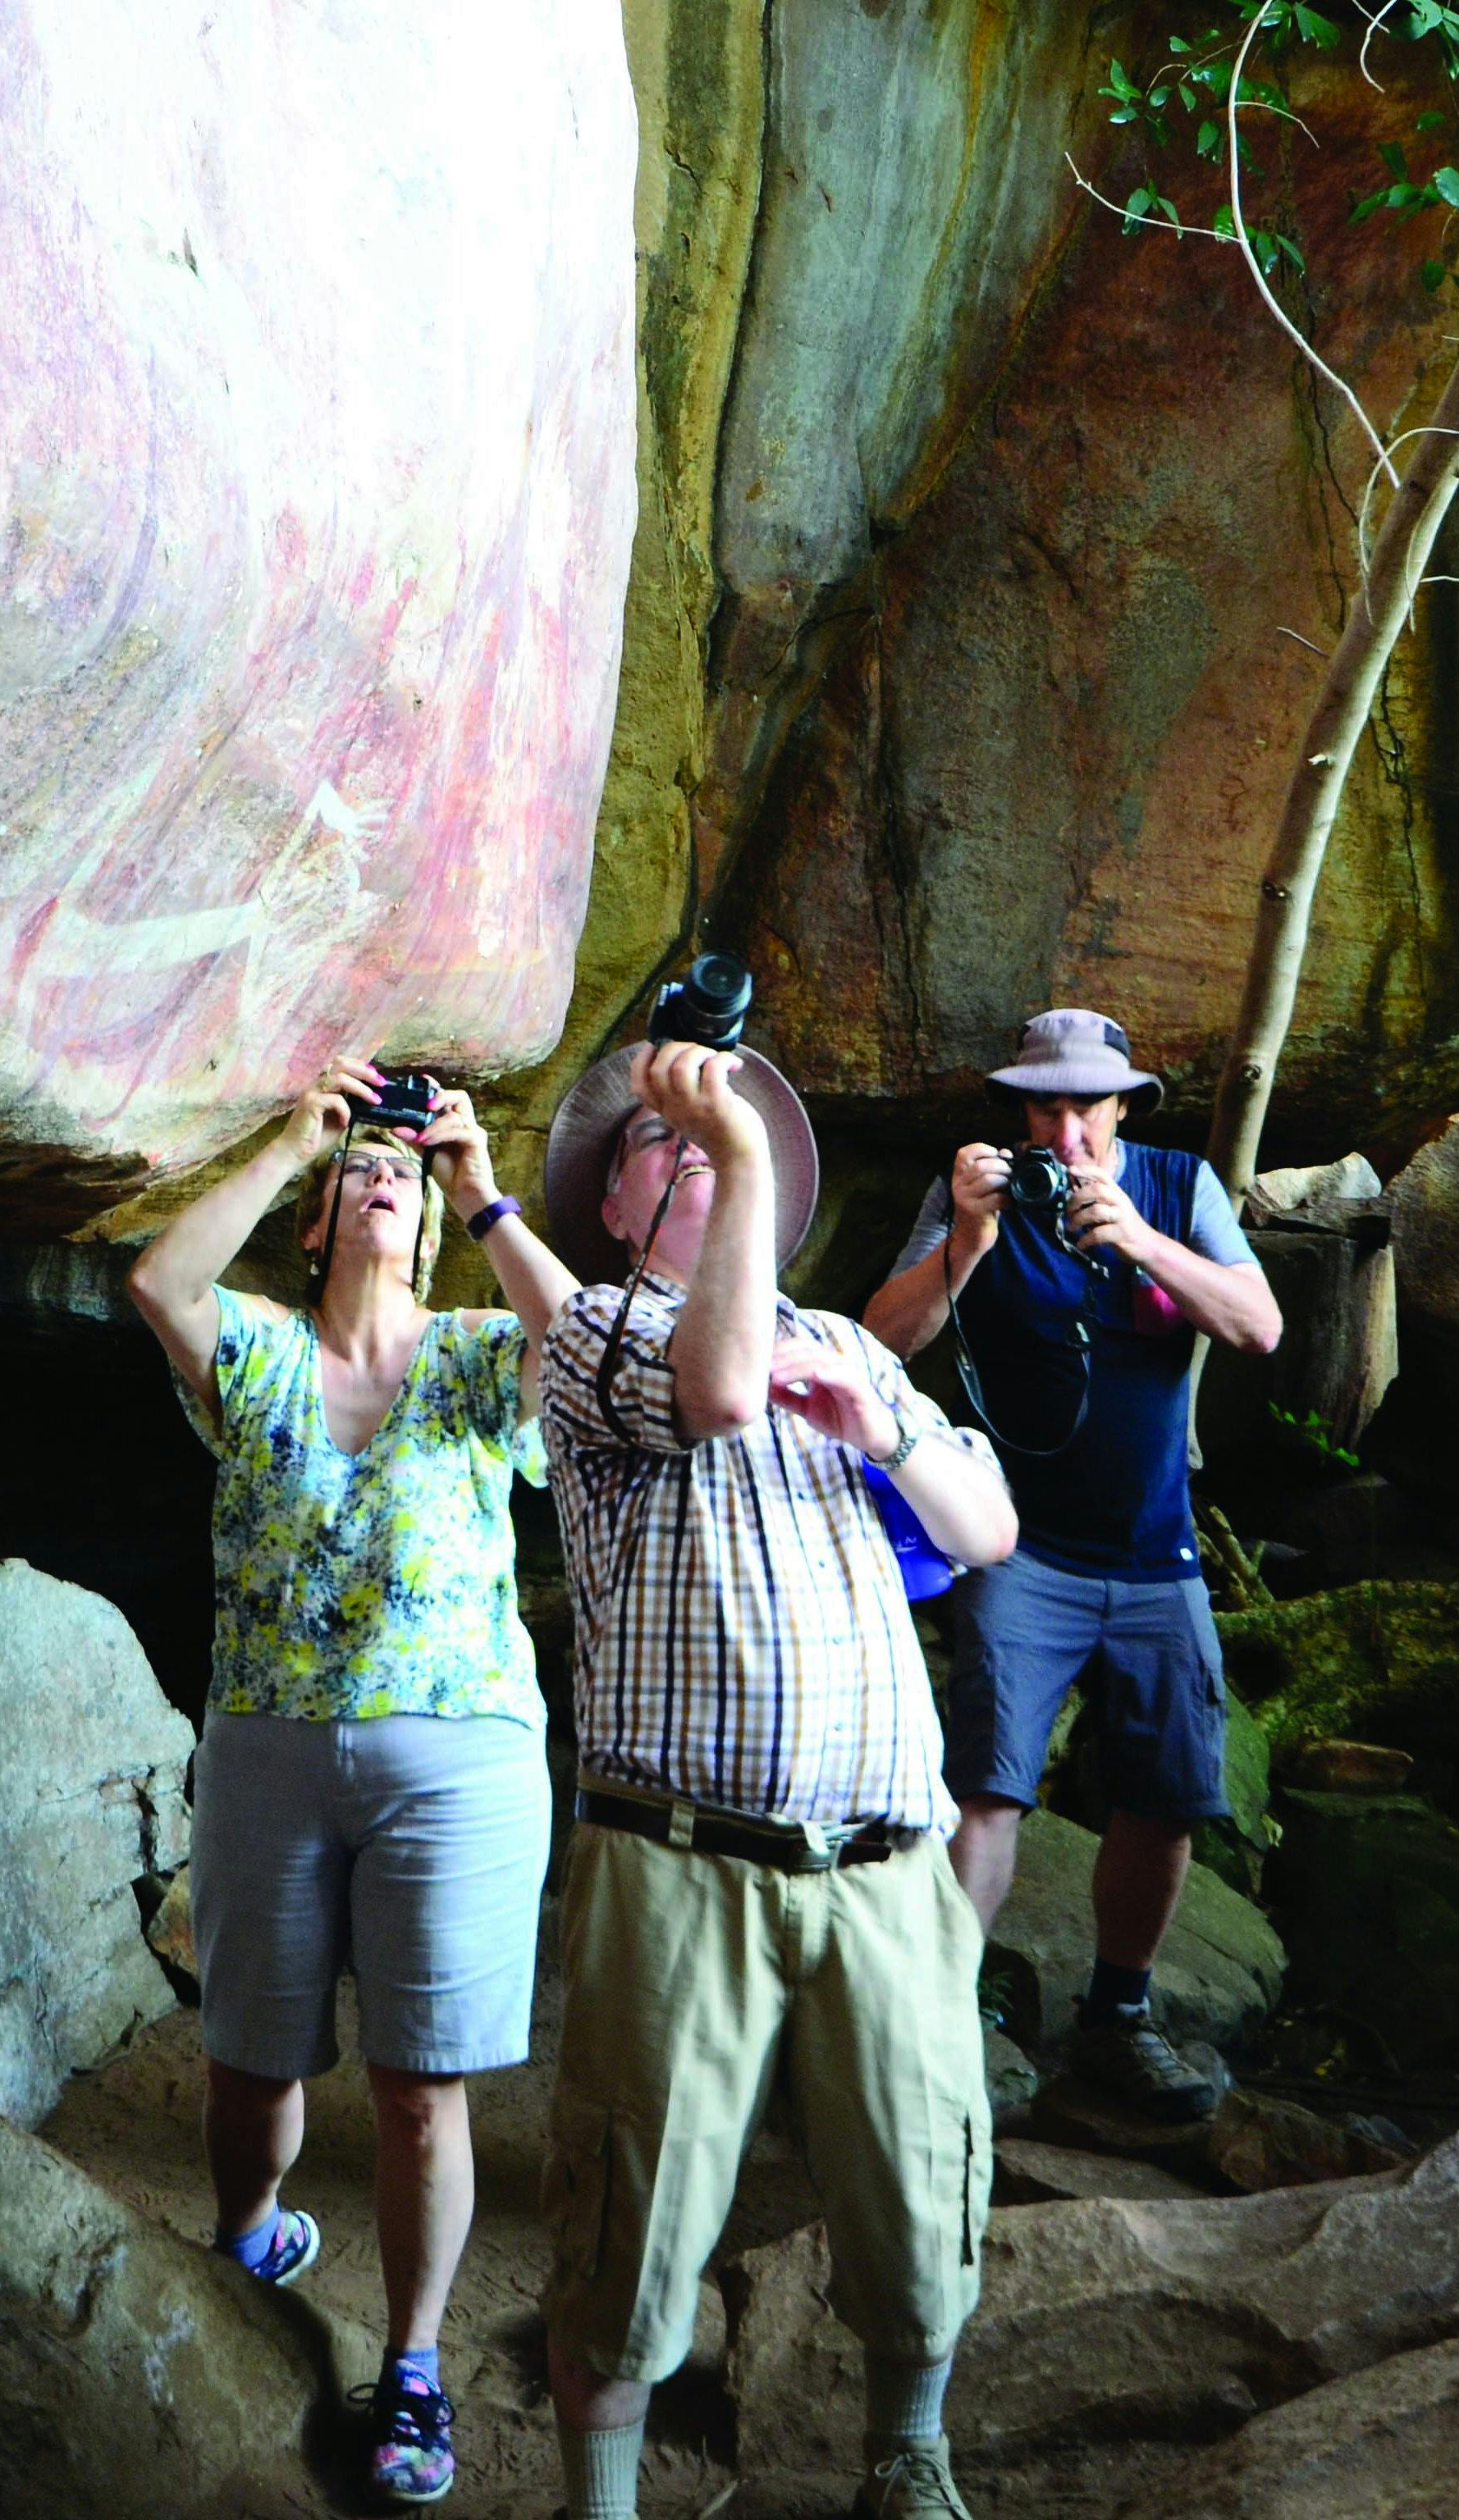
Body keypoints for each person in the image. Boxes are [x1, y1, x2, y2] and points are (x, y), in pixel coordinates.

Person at [533, 1032, 1020, 2520]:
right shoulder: (592, 1332)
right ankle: (601, 2501)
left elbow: (986, 1526)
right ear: (613, 1211)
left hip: (881, 1861)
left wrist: (877, 1422)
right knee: (633, 2205)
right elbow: (724, 1393)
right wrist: (734, 1146)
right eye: (652, 1146)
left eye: (717, 1141)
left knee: (916, 2169)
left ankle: (907, 2453)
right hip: (677, 1859)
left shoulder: (857, 1345)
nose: (685, 1151)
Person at [129, 1057, 578, 2506]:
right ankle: (247, 2231)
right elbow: (156, 1281)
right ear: (318, 1225)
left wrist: (480, 1186)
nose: (378, 1179)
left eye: (397, 1175)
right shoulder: (254, 1347)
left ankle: (415, 2363)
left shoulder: (469, 1353)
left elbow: (577, 1343)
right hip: (267, 1741)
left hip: (458, 1759)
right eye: (354, 1179)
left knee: (416, 2087)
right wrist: (291, 1140)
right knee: (250, 2056)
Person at [863, 1008, 1281, 2120]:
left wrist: (1139, 1239)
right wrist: (969, 1238)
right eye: (1042, 1107)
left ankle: (1119, 2017)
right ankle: (938, 2019)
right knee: (989, 1787)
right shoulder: (978, 1194)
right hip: (1020, 1544)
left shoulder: (1178, 1184)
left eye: (1083, 1108)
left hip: (1157, 1549)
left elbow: (1260, 1327)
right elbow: (879, 1347)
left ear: (1122, 1107)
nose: (1063, 1130)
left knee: (1171, 1792)